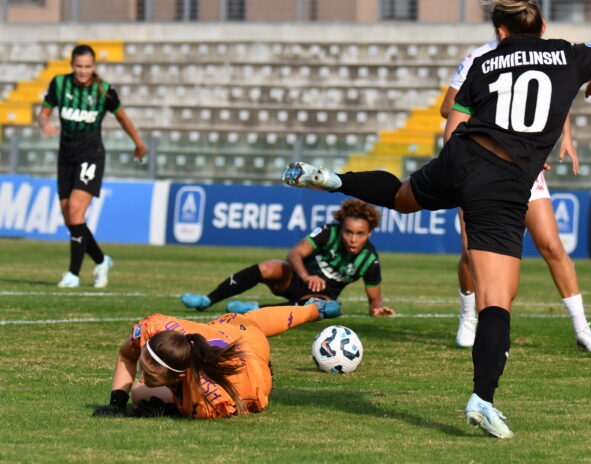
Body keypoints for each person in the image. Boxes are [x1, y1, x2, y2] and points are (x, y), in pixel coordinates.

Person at [281, 0, 591, 438]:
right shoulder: (570, 53)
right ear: (542, 25)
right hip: (504, 181)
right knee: (497, 298)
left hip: (463, 156)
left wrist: (457, 175)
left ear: (500, 31)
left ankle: (335, 180)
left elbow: (454, 123)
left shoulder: (485, 60)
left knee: (401, 196)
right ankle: (483, 399)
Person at [440, 40, 591, 353]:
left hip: (525, 167)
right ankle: (468, 318)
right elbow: (448, 107)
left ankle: (582, 328)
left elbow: (555, 97)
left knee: (552, 245)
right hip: (480, 164)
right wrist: (497, 130)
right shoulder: (479, 57)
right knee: (470, 249)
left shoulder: (543, 54)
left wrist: (566, 136)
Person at [92, 300, 341, 418]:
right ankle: (311, 309)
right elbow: (126, 354)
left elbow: (257, 322)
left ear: (180, 375)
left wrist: (169, 410)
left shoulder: (207, 400)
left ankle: (312, 308)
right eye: (144, 366)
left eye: (151, 375)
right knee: (139, 392)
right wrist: (116, 404)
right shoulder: (152, 330)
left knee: (249, 322)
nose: (143, 376)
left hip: (252, 361)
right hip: (217, 331)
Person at [39, 44, 147, 288]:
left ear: (94, 66)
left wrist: (138, 143)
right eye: (79, 66)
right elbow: (43, 113)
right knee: (70, 219)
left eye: (88, 66)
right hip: (66, 157)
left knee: (76, 212)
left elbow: (122, 117)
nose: (83, 71)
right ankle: (101, 260)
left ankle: (73, 275)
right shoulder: (59, 84)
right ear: (72, 65)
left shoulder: (104, 90)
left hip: (91, 155)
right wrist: (44, 123)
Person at [180, 199, 395, 317]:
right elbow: (294, 253)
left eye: (359, 234)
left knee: (329, 309)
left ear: (369, 234)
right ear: (341, 229)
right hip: (296, 278)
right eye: (348, 232)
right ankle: (207, 300)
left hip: (320, 295)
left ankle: (255, 309)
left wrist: (378, 310)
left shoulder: (370, 260)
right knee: (269, 267)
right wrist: (306, 276)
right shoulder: (328, 232)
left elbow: (374, 301)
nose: (353, 239)